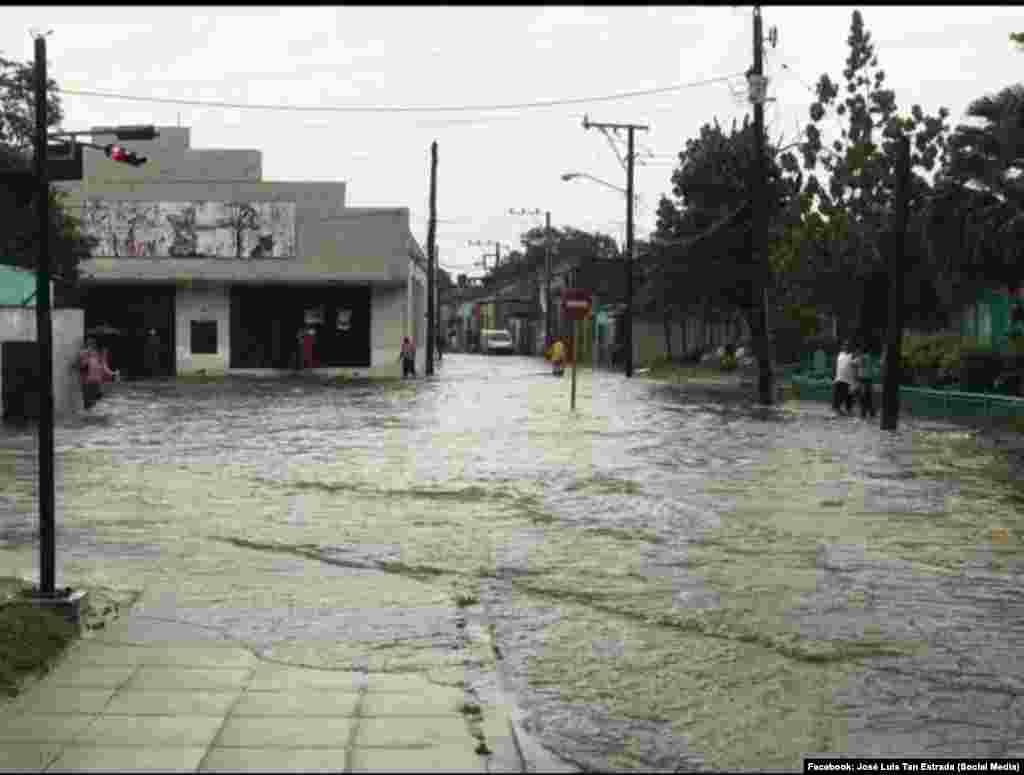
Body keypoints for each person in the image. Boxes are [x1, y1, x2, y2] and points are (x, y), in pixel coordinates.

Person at [78, 338, 117, 410]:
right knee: (88, 402)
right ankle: (89, 413)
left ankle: (91, 413)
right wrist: (87, 357)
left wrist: (112, 374)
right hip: (87, 381)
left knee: (97, 398)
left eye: (92, 345)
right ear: (86, 345)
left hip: (96, 380)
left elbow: (104, 367)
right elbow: (82, 366)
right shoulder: (83, 354)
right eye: (89, 345)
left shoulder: (98, 356)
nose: (90, 347)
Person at [852, 344, 877, 419]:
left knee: (862, 397)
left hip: (862, 379)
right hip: (868, 379)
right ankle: (872, 412)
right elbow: (873, 369)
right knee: (868, 396)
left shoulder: (860, 358)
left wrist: (855, 355)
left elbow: (852, 363)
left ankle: (863, 413)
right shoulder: (869, 357)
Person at [832, 341, 856, 416]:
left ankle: (848, 410)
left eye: (848, 345)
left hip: (848, 380)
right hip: (839, 378)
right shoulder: (840, 354)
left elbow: (856, 366)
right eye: (845, 345)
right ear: (842, 346)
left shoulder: (853, 355)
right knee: (837, 396)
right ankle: (837, 410)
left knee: (848, 396)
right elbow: (836, 365)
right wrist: (834, 376)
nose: (846, 347)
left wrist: (855, 379)